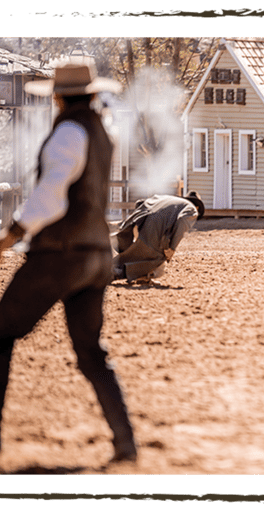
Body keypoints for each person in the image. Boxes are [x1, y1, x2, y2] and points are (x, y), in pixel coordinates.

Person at [0, 59, 137, 462]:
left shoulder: (68, 132)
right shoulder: (102, 131)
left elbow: (51, 193)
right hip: (96, 254)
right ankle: (125, 443)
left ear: (58, 98)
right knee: (91, 352)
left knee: (1, 334)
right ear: (92, 94)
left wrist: (14, 234)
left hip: (61, 254)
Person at [111, 192, 204, 283]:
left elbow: (140, 203)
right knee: (157, 259)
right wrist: (172, 248)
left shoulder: (170, 199)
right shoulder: (192, 209)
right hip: (152, 231)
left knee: (132, 255)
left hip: (137, 223)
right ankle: (114, 273)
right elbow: (182, 221)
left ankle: (143, 277)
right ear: (197, 207)